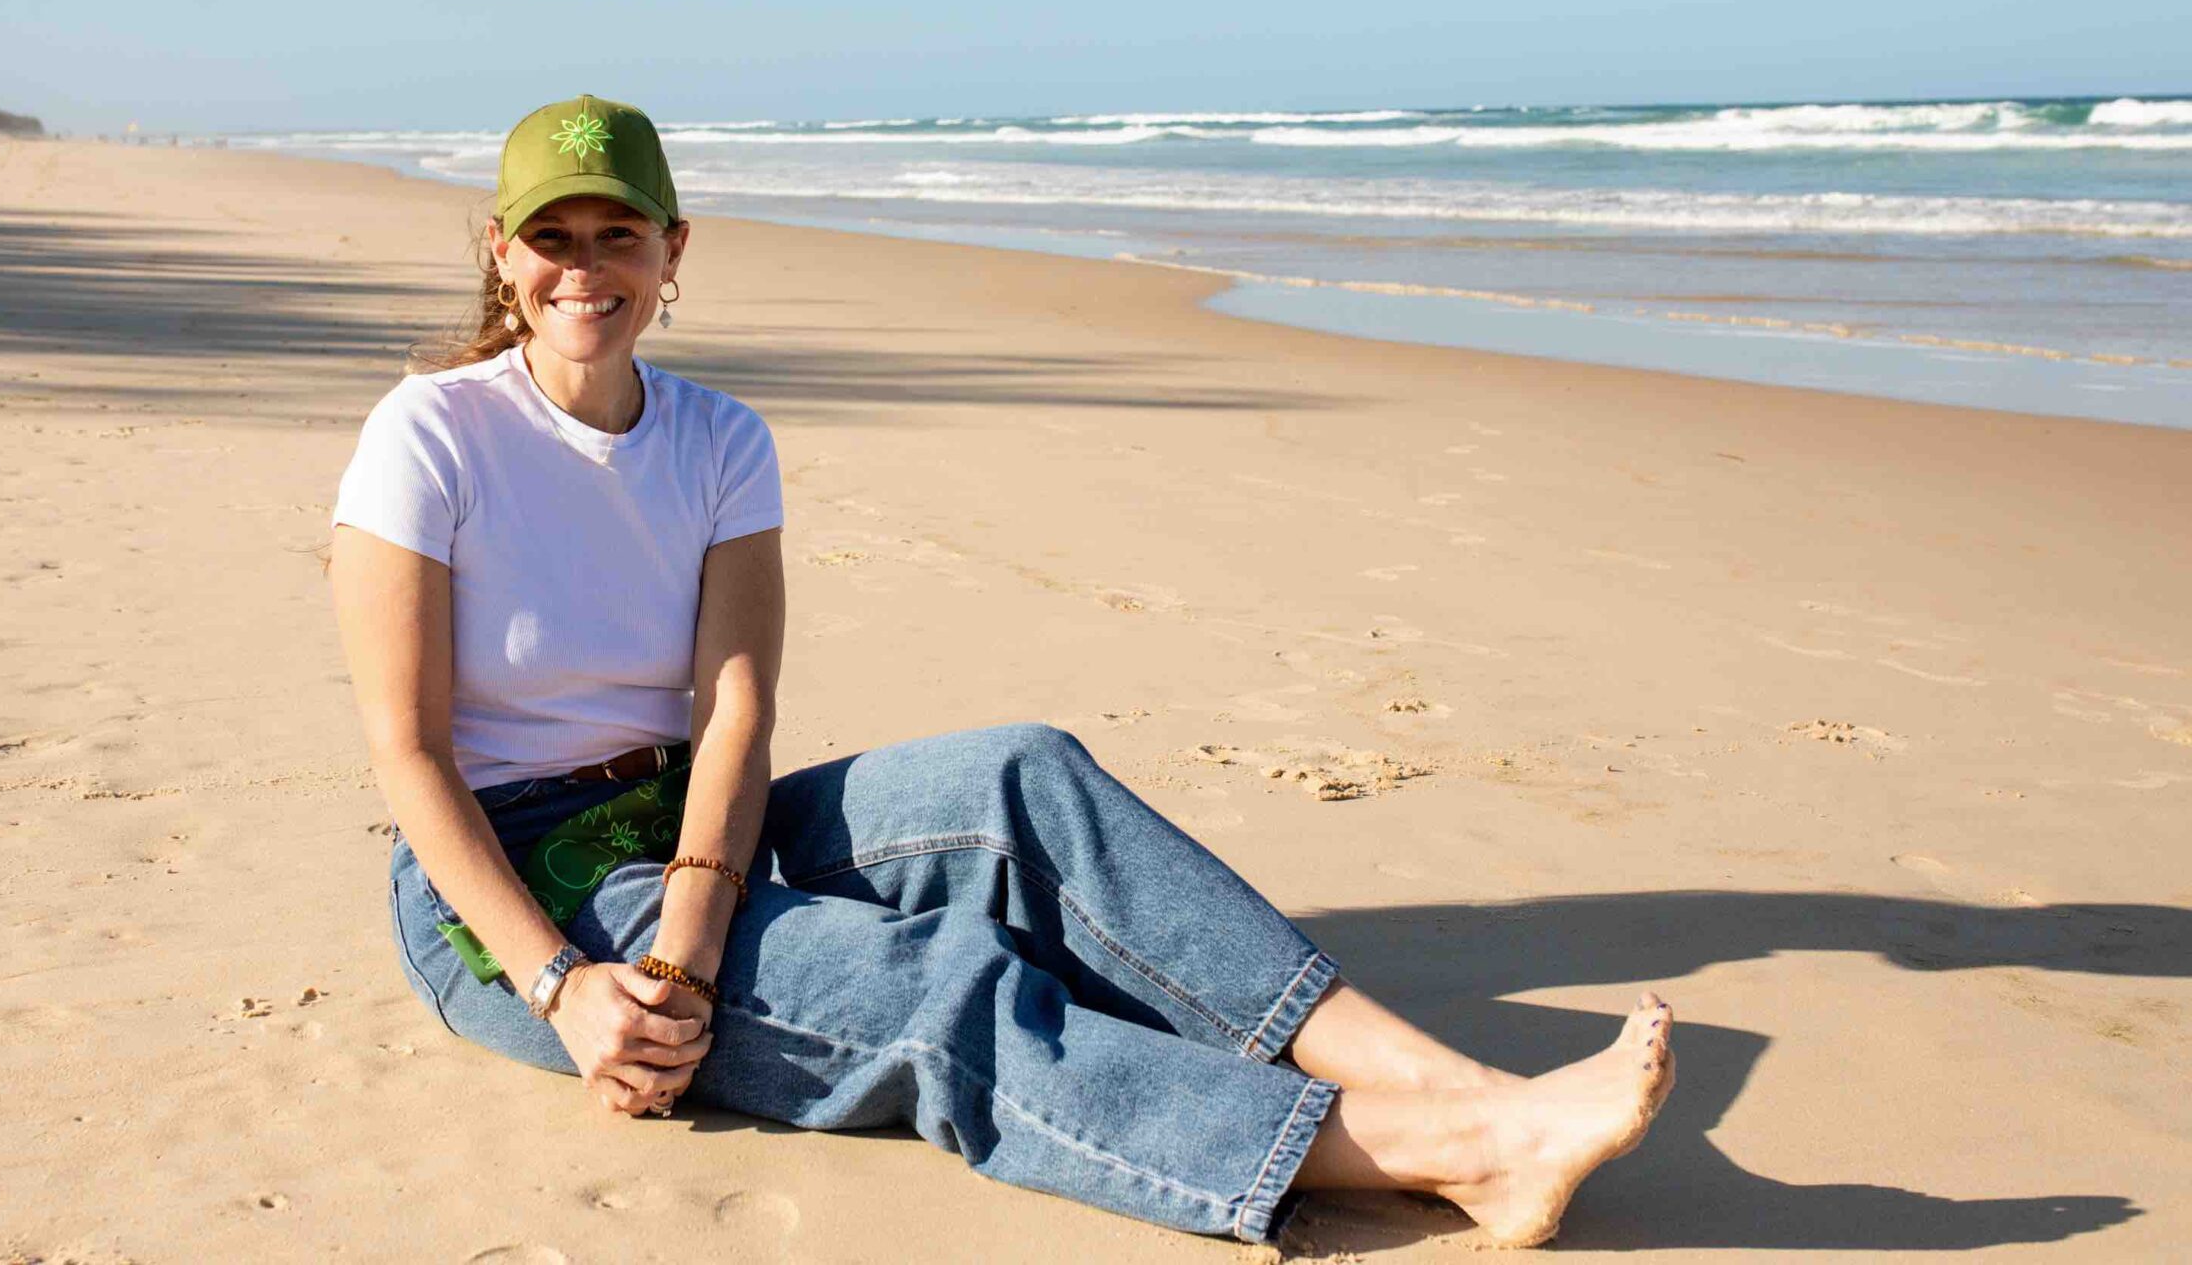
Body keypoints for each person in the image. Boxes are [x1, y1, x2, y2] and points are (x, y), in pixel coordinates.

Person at [328, 94, 1677, 1249]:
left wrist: (691, 939)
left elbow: (738, 712)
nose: (585, 268)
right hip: (506, 887)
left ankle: (1454, 1085)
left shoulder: (719, 440)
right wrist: (570, 989)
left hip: (686, 820)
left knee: (1022, 778)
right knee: (930, 980)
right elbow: (411, 752)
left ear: (672, 249)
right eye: (552, 237)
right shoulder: (429, 437)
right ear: (502, 254)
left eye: (617, 232)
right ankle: (1455, 1157)